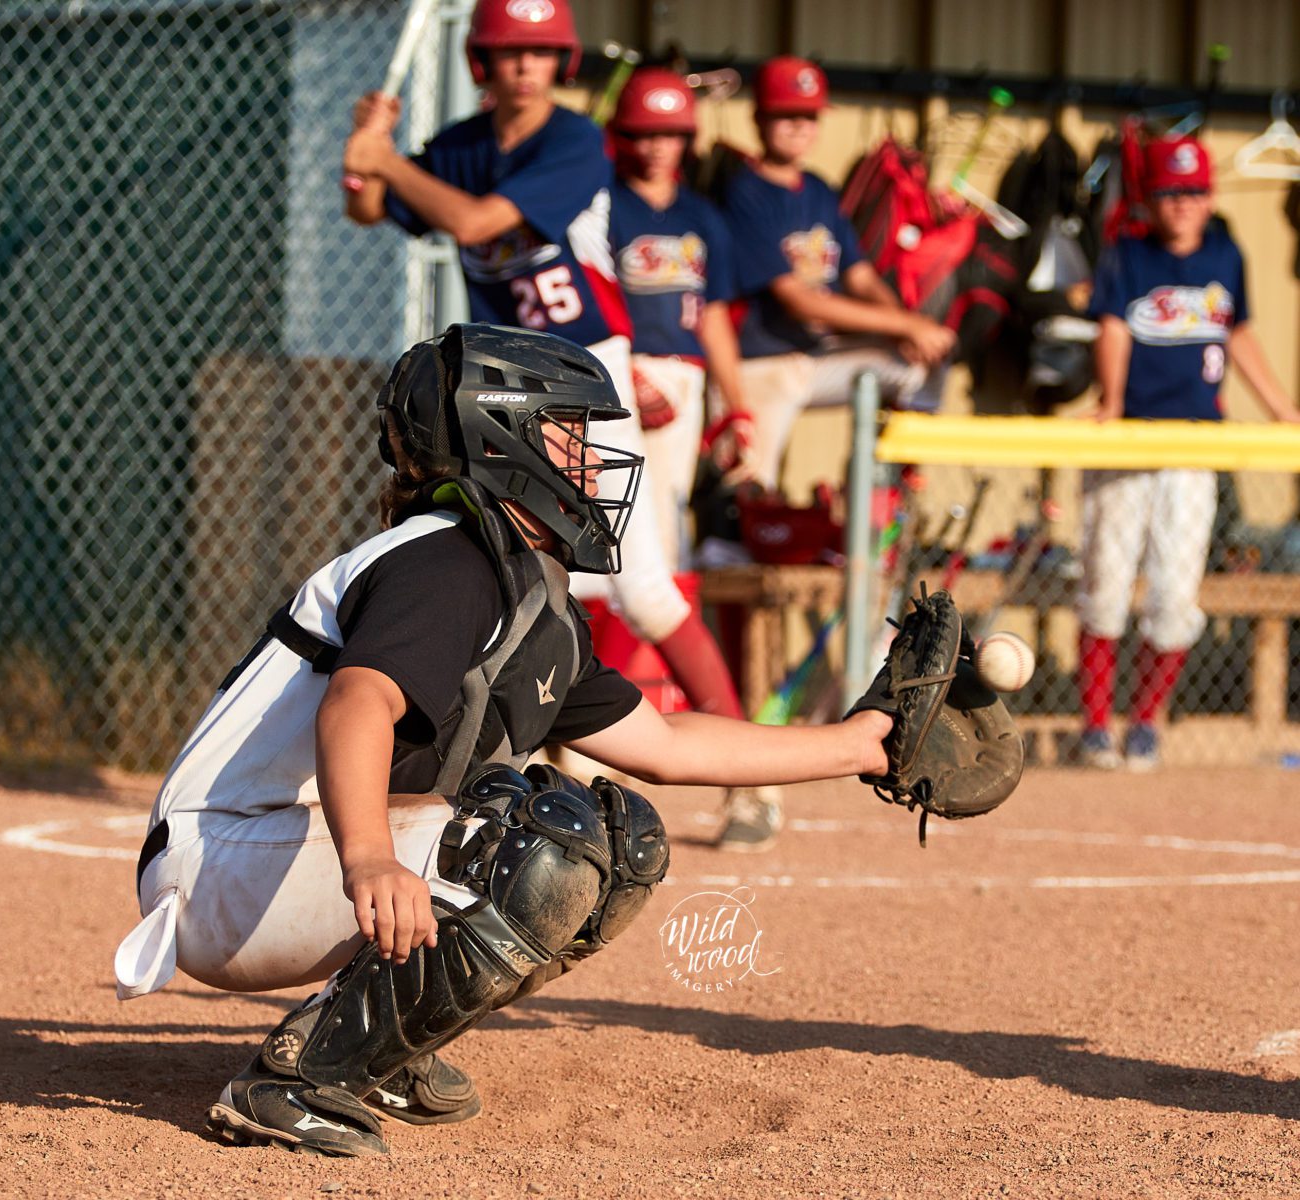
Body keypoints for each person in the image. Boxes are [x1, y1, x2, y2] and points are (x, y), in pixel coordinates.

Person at [113, 324, 895, 1158]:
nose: (595, 459)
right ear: (502, 438)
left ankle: (382, 1043)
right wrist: (373, 858)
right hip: (219, 862)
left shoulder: (523, 582)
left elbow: (666, 746)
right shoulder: (448, 561)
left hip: (275, 852)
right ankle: (296, 1080)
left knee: (623, 841)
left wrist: (860, 745)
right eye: (571, 433)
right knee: (532, 838)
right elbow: (357, 705)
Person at [343, 0, 756, 839]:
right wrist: (362, 164)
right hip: (497, 388)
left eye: (538, 52)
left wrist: (387, 159)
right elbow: (371, 211)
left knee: (634, 584)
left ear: (559, 63)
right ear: (481, 64)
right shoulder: (460, 146)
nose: (522, 67)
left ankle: (744, 780)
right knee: (512, 570)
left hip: (581, 369)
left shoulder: (574, 142)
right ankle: (521, 769)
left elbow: (477, 221)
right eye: (505, 52)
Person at [1075, 136, 1300, 770]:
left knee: (1175, 593)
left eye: (1194, 192)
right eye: (1171, 194)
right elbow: (1115, 326)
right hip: (1132, 439)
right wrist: (1112, 401)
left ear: (1210, 198)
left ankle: (1145, 723)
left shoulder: (1226, 253)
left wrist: (1281, 408)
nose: (1183, 205)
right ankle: (1096, 726)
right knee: (1106, 582)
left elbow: (1237, 332)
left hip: (1195, 442)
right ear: (1152, 200)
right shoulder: (1128, 255)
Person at [600, 66, 779, 849]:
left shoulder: (702, 216)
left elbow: (712, 321)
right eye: (644, 132)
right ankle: (589, 754)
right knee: (609, 571)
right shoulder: (602, 205)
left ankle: (734, 772)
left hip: (683, 386)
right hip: (611, 376)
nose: (657, 147)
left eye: (671, 133)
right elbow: (589, 303)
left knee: (652, 567)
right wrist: (621, 373)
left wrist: (735, 407)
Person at [721, 57, 957, 490]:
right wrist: (905, 322)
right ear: (758, 118)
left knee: (920, 361)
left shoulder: (817, 188)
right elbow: (800, 300)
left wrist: (907, 332)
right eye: (785, 115)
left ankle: (888, 484)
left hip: (817, 356)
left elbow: (861, 278)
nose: (799, 126)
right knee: (750, 494)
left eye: (808, 117)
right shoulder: (744, 192)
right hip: (762, 362)